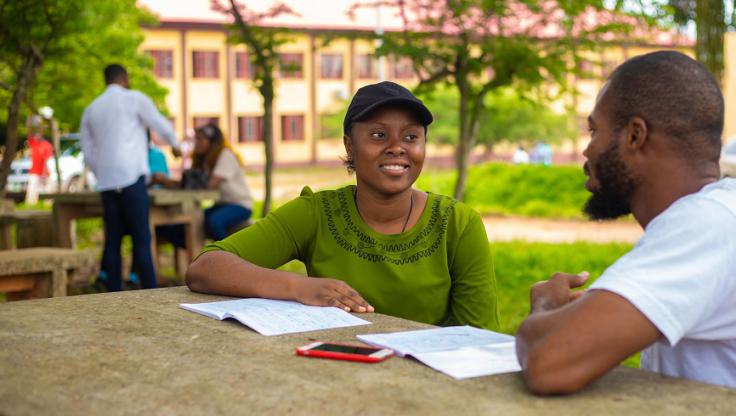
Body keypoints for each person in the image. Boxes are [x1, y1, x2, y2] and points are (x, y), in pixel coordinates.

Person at [515, 51, 736, 412]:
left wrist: (546, 309)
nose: (587, 148)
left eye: (595, 130)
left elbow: (549, 363)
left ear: (634, 136)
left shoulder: (712, 222)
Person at [185, 81, 500, 329]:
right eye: (378, 135)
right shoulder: (317, 214)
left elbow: (480, 335)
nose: (396, 148)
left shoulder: (458, 224)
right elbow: (206, 268)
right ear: (350, 145)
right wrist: (297, 286)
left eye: (411, 137)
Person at [81, 64, 181, 292]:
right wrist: (175, 145)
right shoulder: (134, 98)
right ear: (125, 78)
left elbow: (88, 150)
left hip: (107, 184)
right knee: (142, 239)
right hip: (132, 179)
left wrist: (102, 172)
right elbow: (160, 124)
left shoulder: (91, 109)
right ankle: (150, 291)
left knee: (113, 240)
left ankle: (114, 293)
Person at [151, 123, 253, 241]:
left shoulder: (225, 155)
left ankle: (228, 254)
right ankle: (197, 255)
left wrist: (183, 182)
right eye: (196, 140)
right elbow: (190, 185)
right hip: (220, 205)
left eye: (200, 140)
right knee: (181, 228)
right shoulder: (204, 160)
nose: (196, 143)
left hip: (239, 205)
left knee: (214, 222)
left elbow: (209, 185)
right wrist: (165, 181)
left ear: (211, 142)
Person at [25, 114, 53, 204]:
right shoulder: (34, 143)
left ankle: (48, 203)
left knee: (47, 191)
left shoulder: (47, 145)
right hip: (34, 171)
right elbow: (29, 131)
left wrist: (44, 172)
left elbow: (47, 160)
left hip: (44, 171)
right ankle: (30, 203)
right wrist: (29, 119)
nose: (37, 135)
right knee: (32, 190)